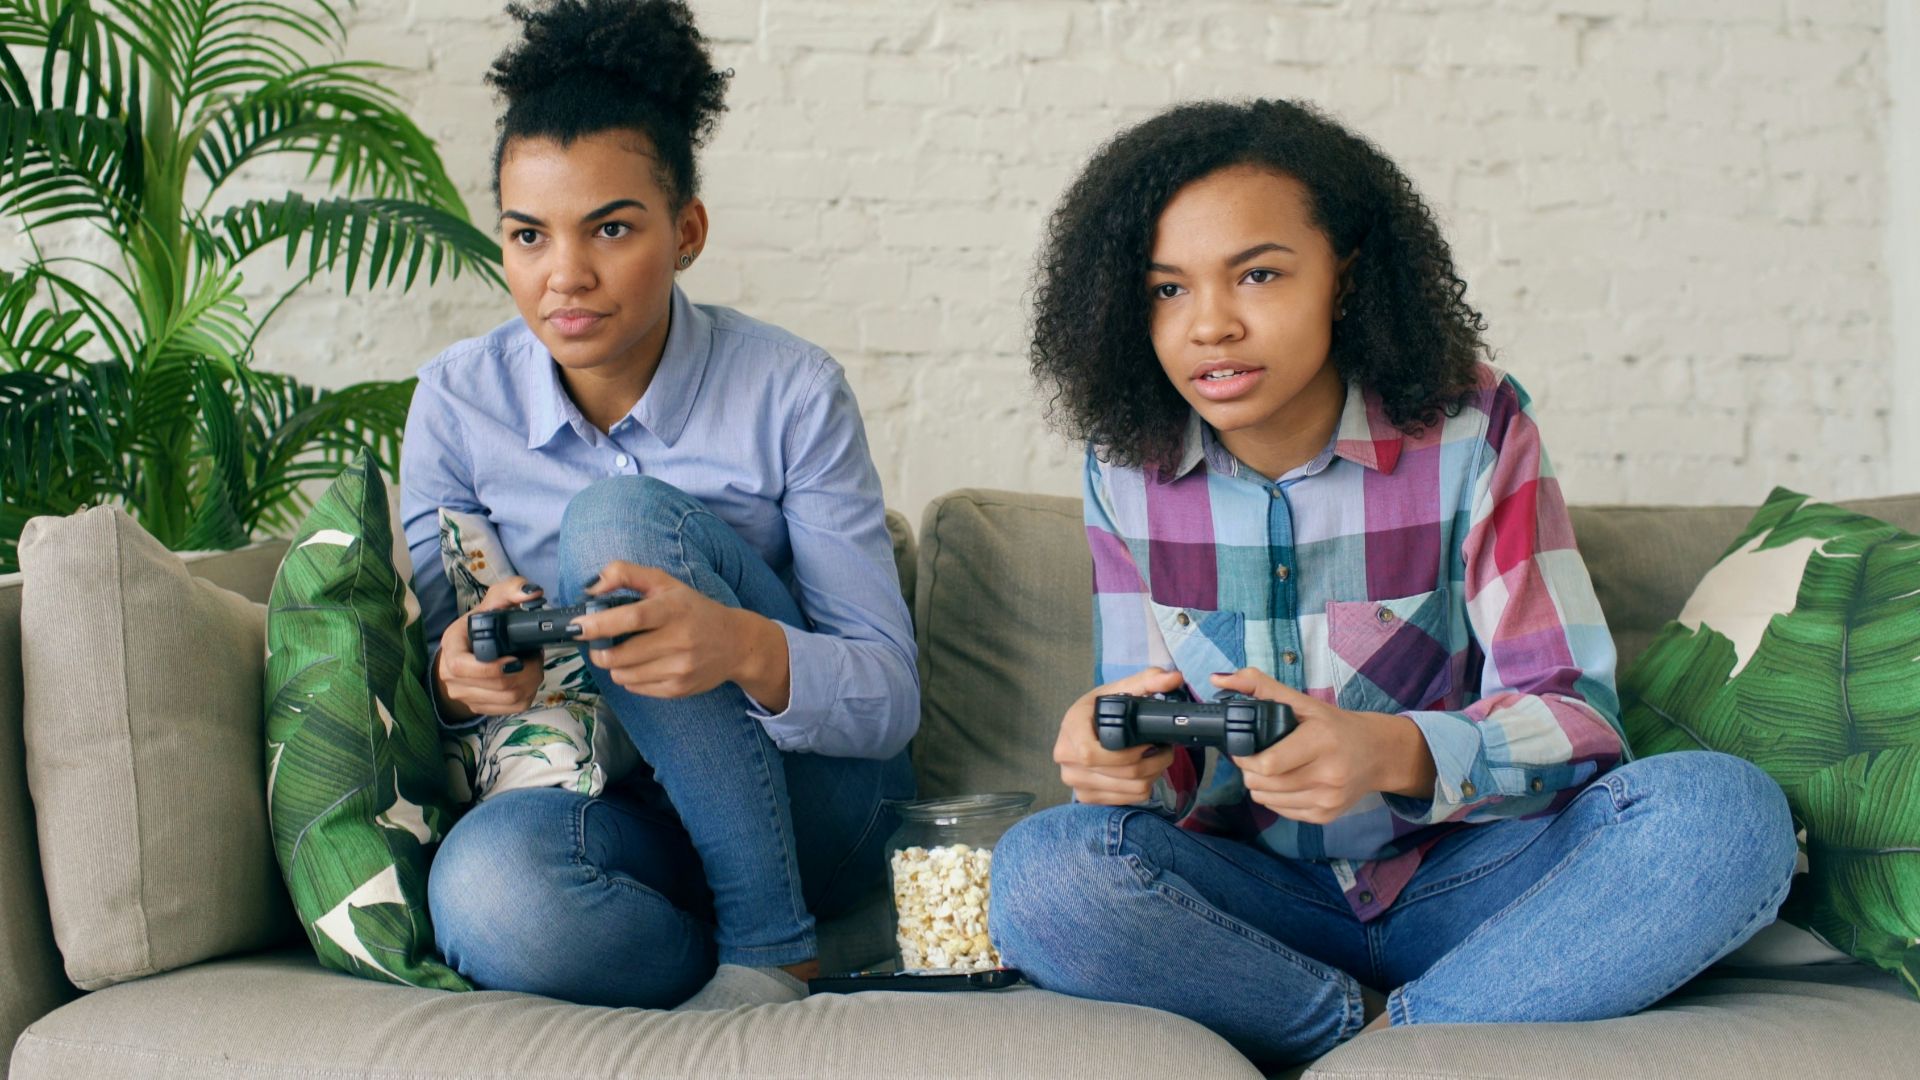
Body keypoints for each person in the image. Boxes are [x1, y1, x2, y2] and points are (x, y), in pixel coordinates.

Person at [989, 98, 1796, 1066]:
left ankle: (1381, 1054)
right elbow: (1164, 772)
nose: (1210, 325)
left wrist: (1390, 751)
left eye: (1258, 274)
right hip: (1262, 908)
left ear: (1345, 276)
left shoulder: (1474, 426)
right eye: (1167, 289)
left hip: (1480, 882)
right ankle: (1390, 1037)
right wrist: (1121, 760)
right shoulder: (1127, 467)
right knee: (1044, 872)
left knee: (1722, 815)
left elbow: (1579, 723)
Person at [399, 0, 915, 1012]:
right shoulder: (457, 404)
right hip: (624, 814)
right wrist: (464, 678)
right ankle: (724, 952)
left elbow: (890, 697)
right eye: (528, 235)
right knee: (489, 898)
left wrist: (737, 646)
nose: (565, 276)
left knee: (616, 524)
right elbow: (435, 672)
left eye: (612, 228)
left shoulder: (790, 391)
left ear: (686, 233)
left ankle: (772, 946)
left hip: (816, 810)